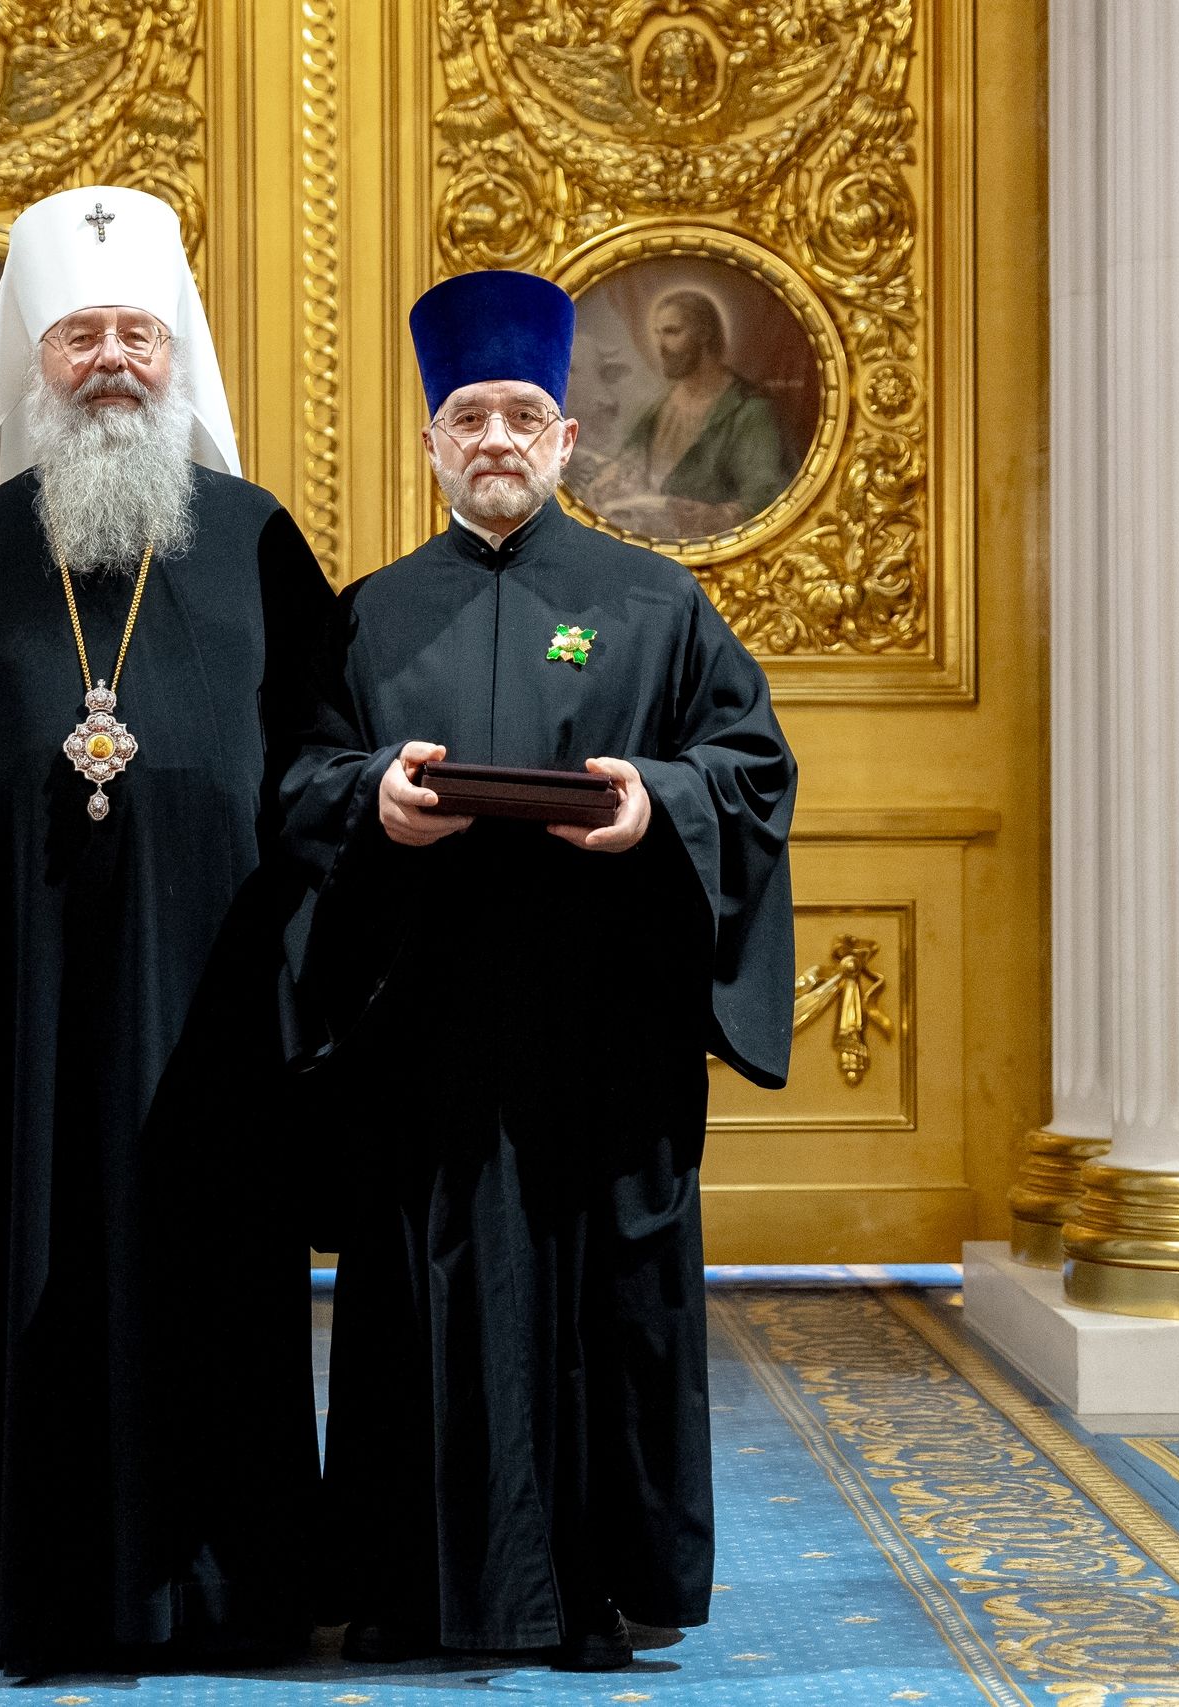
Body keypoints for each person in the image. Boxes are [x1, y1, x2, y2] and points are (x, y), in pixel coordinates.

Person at [0, 185, 331, 1676]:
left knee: (210, 1289)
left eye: (136, 335)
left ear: (176, 356)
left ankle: (229, 1597)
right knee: (29, 1282)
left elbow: (324, 773)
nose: (111, 360)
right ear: (31, 361)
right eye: (80, 336)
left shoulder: (256, 541)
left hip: (210, 1026)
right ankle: (22, 1590)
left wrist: (306, 992)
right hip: (17, 1039)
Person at [281, 268, 797, 1672]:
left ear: (567, 438)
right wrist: (372, 796)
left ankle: (602, 1586)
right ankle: (407, 1582)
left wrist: (656, 804)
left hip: (602, 1030)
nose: (496, 439)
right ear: (432, 443)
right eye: (469, 417)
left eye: (522, 415)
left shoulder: (657, 602)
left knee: (602, 1308)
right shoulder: (366, 615)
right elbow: (301, 779)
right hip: (424, 1031)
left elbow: (750, 771)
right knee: (420, 1299)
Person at [614, 289, 794, 532]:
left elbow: (766, 496)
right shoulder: (659, 407)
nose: (661, 346)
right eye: (658, 333)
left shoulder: (749, 410)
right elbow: (626, 467)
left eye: (672, 332)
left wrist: (716, 516)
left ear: (705, 334)